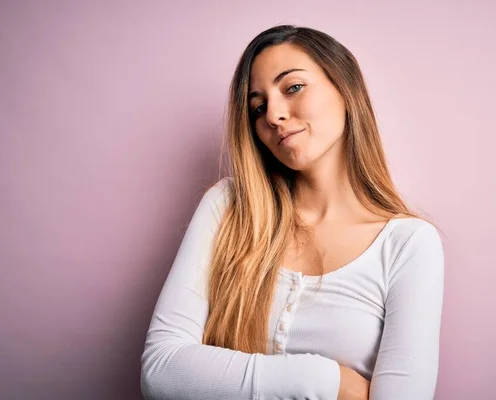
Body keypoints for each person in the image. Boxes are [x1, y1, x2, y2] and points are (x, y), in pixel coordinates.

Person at [141, 24, 445, 400]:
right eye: (258, 106)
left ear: (346, 89)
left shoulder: (408, 243)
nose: (274, 115)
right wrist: (332, 382)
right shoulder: (230, 207)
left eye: (293, 88)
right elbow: (161, 370)